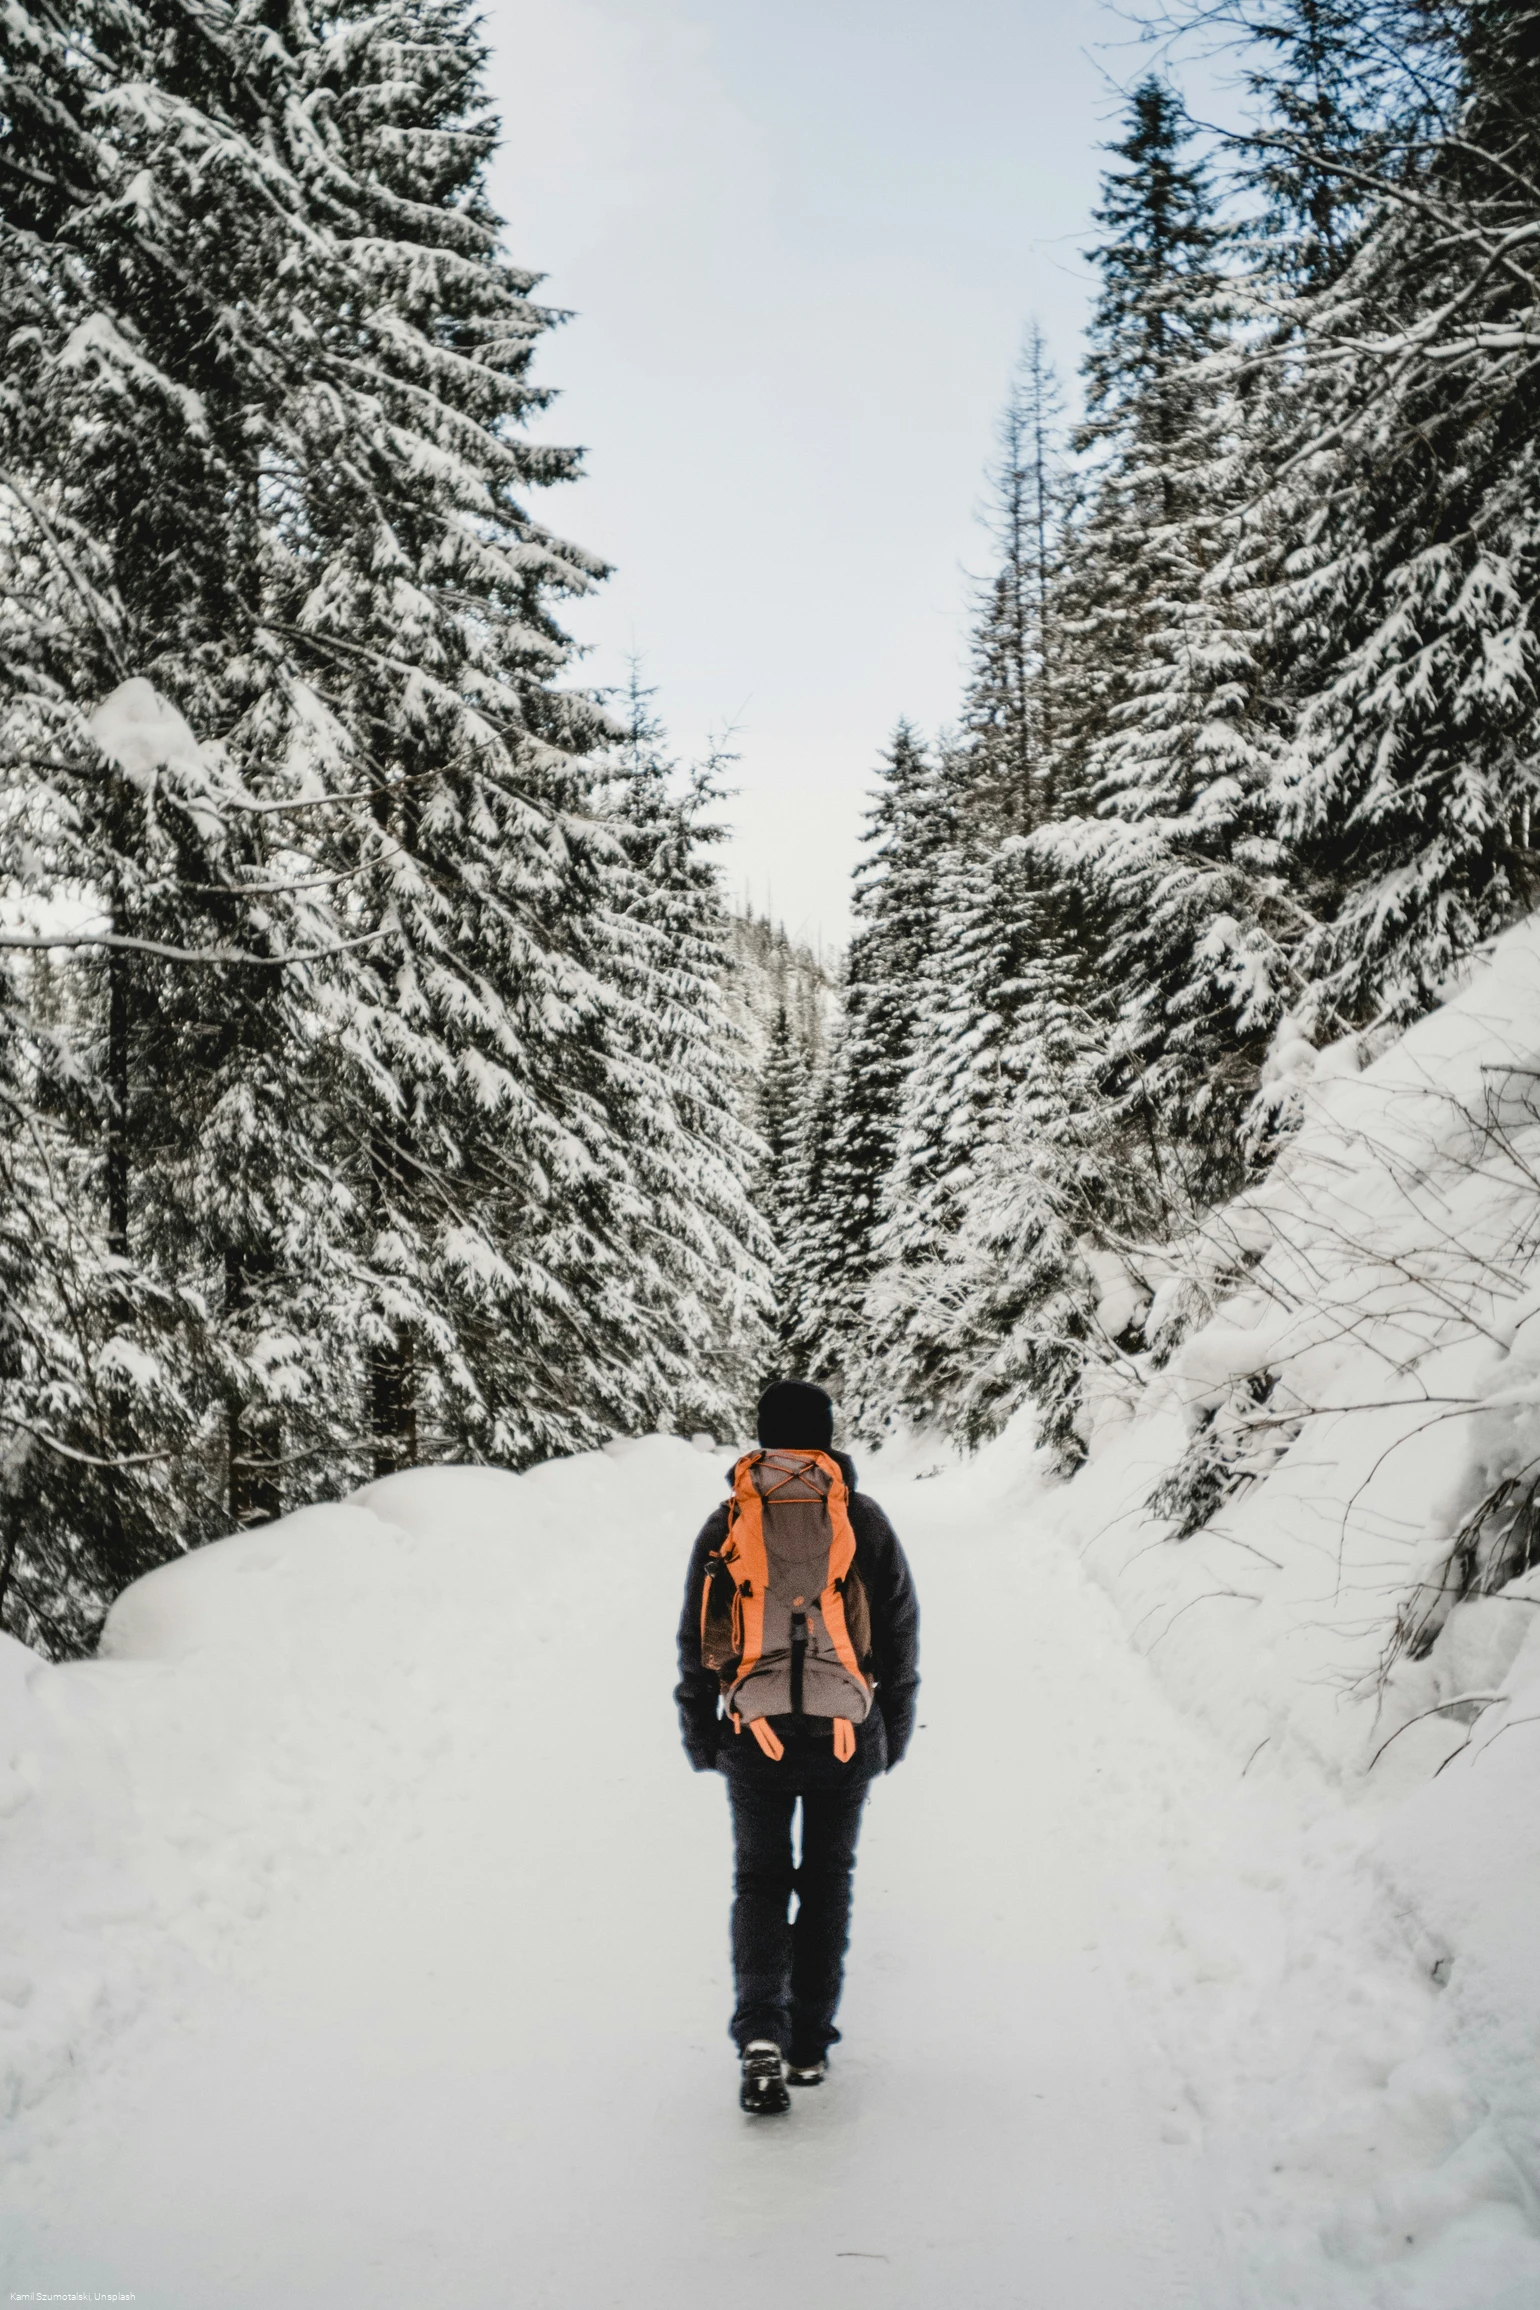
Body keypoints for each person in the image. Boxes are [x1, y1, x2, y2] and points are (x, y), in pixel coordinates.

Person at [674, 1378, 920, 2115]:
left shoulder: (728, 1520)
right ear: (827, 1434)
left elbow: (701, 1636)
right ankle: (809, 2043)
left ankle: (760, 2035)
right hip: (846, 1735)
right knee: (826, 1882)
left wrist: (702, 1730)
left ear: (762, 1436)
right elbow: (899, 1632)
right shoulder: (863, 1519)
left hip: (755, 1736)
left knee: (760, 1881)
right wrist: (892, 1729)